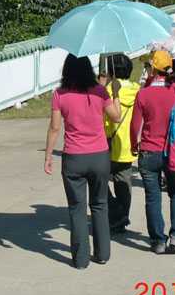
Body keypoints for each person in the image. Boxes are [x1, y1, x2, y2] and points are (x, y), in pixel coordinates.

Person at [44, 54, 121, 269]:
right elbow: (116, 116)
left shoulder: (60, 94)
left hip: (74, 157)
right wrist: (115, 93)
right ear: (89, 69)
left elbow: (55, 128)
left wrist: (48, 155)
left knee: (77, 208)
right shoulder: (99, 91)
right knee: (100, 204)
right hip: (99, 155)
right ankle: (103, 253)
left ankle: (80, 259)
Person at [131, 50, 175, 255]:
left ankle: (157, 241)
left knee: (152, 197)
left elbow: (135, 125)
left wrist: (134, 144)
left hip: (148, 151)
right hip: (174, 150)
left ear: (152, 69)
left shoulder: (143, 93)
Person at [101, 53, 139, 233]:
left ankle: (116, 212)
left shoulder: (107, 92)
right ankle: (122, 217)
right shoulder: (137, 90)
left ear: (111, 72)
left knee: (99, 181)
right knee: (124, 183)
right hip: (128, 145)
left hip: (107, 144)